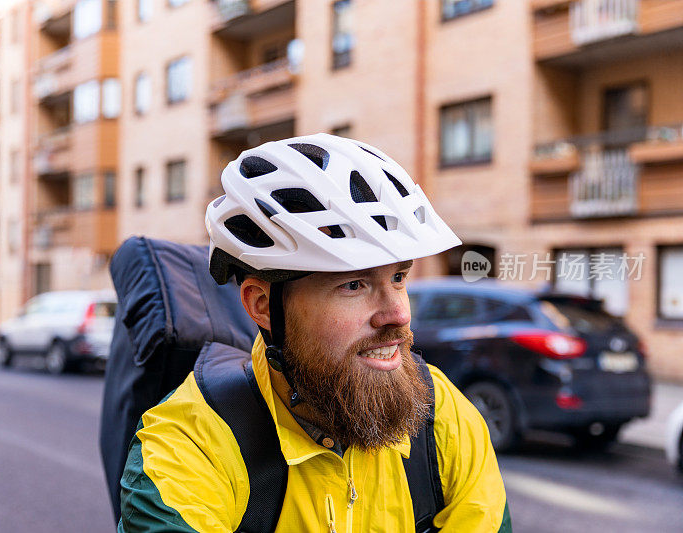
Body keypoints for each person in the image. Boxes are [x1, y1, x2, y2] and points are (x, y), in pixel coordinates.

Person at [118, 133, 511, 532]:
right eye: (353, 285)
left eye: (398, 277)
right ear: (261, 305)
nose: (398, 314)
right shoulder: (189, 445)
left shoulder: (440, 413)